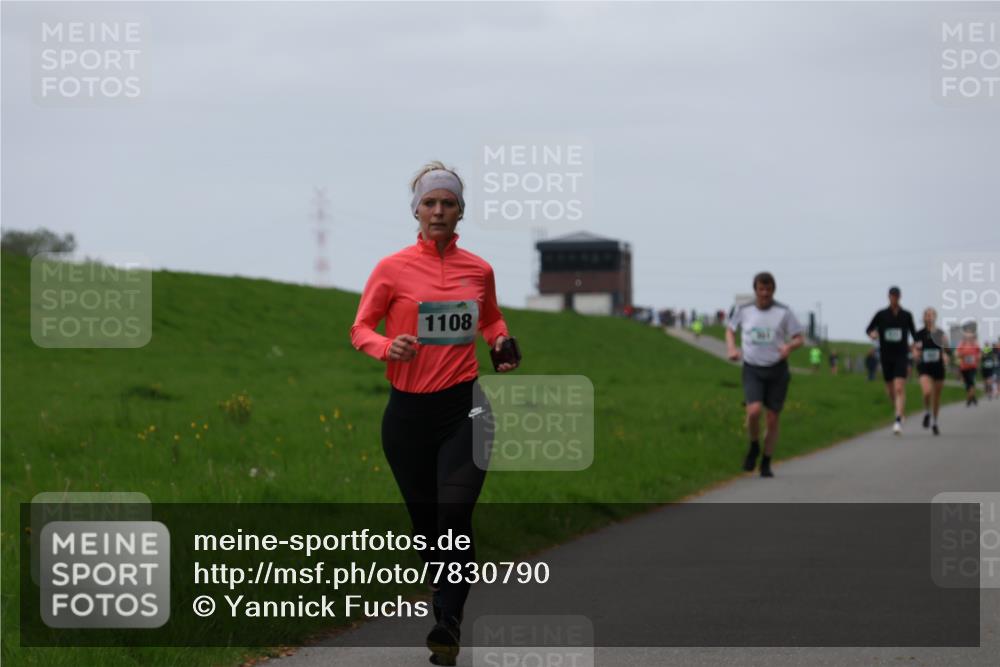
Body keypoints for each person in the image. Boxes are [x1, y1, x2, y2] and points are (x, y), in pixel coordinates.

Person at [350, 161, 519, 666]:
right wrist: (387, 346)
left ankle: (447, 620)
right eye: (430, 203)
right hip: (407, 417)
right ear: (417, 211)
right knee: (428, 527)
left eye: (448, 203)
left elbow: (490, 318)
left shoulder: (478, 268)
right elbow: (360, 328)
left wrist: (501, 341)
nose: (439, 211)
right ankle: (443, 598)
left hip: (464, 408)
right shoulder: (391, 269)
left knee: (454, 514)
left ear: (460, 211)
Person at [726, 271, 805, 478]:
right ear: (755, 290)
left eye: (768, 290)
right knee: (753, 411)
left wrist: (789, 346)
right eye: (761, 289)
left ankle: (766, 462)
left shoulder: (784, 311)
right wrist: (732, 349)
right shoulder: (744, 309)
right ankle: (753, 446)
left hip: (777, 369)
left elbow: (799, 338)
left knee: (772, 418)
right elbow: (730, 330)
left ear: (773, 290)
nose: (765, 294)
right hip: (752, 367)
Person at [866, 286, 918, 435]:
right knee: (890, 390)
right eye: (892, 296)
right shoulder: (881, 314)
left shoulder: (906, 315)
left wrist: (914, 349)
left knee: (899, 387)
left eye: (896, 296)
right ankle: (899, 410)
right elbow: (868, 329)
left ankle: (897, 420)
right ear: (888, 297)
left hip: (901, 355)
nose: (894, 298)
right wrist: (873, 334)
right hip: (886, 355)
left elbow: (914, 335)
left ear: (900, 297)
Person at [914, 308, 950, 436]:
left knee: (936, 397)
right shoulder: (919, 334)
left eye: (931, 315)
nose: (929, 317)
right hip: (924, 367)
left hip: (938, 367)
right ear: (924, 318)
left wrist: (945, 355)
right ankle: (926, 412)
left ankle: (935, 422)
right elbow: (915, 348)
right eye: (927, 315)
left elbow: (946, 350)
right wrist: (915, 353)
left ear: (935, 317)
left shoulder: (940, 334)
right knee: (927, 392)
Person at [955, 331, 980, 407]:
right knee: (967, 383)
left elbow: (979, 353)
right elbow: (956, 353)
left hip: (973, 367)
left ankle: (969, 399)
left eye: (970, 337)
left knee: (971, 381)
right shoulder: (962, 344)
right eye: (967, 337)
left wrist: (978, 358)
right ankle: (973, 397)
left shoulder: (975, 344)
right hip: (964, 367)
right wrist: (961, 354)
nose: (968, 338)